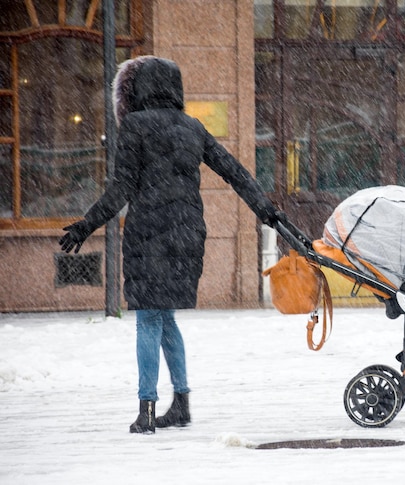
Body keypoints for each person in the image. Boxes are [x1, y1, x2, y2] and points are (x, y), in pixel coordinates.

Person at [59, 56, 283, 434]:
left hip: (150, 234)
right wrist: (266, 210)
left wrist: (86, 225)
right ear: (176, 89)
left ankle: (146, 409)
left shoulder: (134, 126)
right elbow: (235, 172)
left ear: (137, 91)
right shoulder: (193, 128)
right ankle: (181, 404)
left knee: (148, 318)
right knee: (165, 319)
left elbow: (121, 189)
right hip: (188, 236)